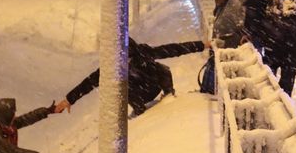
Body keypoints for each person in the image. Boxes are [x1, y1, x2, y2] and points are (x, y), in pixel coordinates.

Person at [54, 38, 210, 117]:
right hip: (139, 95)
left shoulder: (143, 53)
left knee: (163, 69)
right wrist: (69, 100)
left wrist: (202, 45)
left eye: (128, 59)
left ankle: (169, 95)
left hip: (154, 85)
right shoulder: (112, 68)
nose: (126, 63)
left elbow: (173, 49)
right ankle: (140, 112)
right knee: (121, 88)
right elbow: (89, 83)